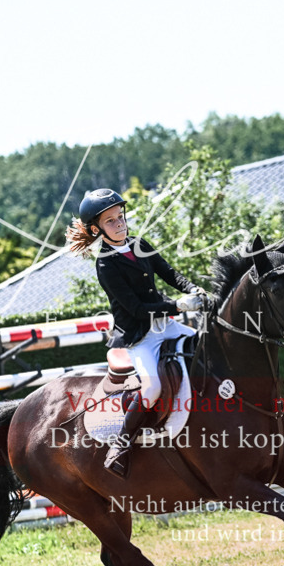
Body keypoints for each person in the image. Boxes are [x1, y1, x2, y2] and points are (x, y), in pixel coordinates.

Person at [65, 188, 205, 477]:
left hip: (164, 325)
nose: (120, 224)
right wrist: (177, 305)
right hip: (139, 335)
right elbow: (137, 309)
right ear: (96, 229)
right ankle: (121, 443)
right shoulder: (105, 264)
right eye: (111, 221)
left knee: (204, 349)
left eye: (120, 217)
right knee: (152, 387)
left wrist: (193, 289)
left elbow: (170, 273)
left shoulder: (140, 244)